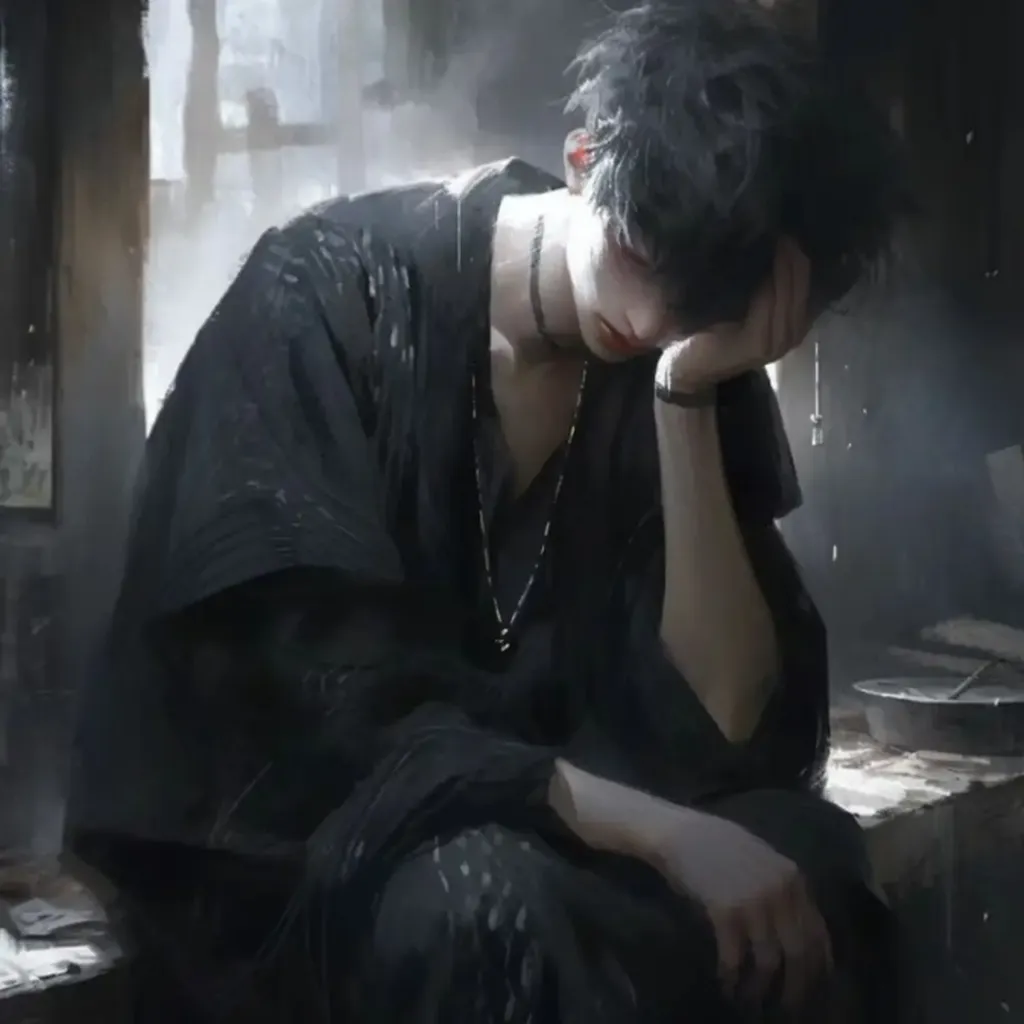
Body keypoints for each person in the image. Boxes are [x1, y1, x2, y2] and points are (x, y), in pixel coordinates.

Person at [67, 2, 910, 1021]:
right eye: (642, 260)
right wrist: (661, 832)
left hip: (556, 828)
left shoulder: (682, 334)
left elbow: (728, 733)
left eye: (700, 310)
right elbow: (315, 723)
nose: (650, 319)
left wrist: (685, 392)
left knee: (806, 860)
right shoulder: (322, 294)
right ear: (583, 161)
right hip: (317, 849)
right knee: (484, 898)